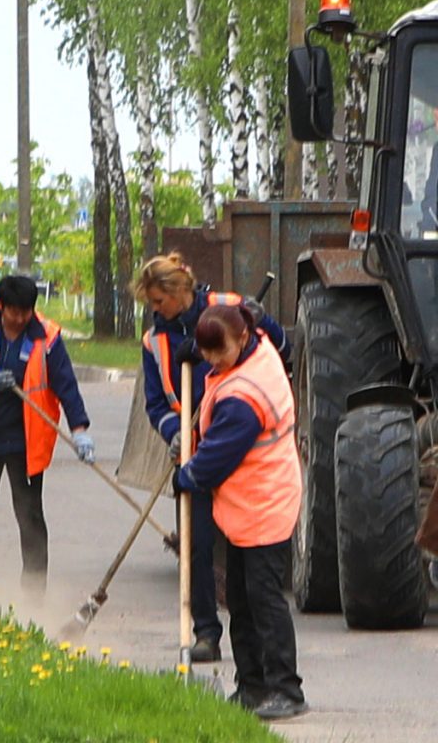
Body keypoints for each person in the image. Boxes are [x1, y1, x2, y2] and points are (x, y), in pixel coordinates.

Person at [132, 252, 289, 664]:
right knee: (197, 546)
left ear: (179, 291)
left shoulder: (228, 308)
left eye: (158, 302)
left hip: (238, 456)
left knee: (244, 561)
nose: (154, 311)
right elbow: (155, 404)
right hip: (195, 452)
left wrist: (263, 320)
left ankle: (264, 662)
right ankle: (205, 631)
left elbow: (279, 348)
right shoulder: (154, 342)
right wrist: (174, 431)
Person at [176, 303, 307, 721]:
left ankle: (286, 689)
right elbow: (219, 350)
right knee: (239, 598)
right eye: (207, 352)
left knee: (263, 600)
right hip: (244, 504)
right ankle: (250, 686)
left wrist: (188, 473)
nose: (213, 361)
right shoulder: (254, 344)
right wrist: (195, 350)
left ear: (243, 339)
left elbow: (217, 456)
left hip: (265, 502)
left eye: (219, 352)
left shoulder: (245, 397)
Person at [0, 274, 94, 596]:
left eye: (26, 312)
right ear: (2, 307)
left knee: (30, 520)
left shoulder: (48, 337)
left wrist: (80, 431)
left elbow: (66, 386)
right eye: (14, 312)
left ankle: (33, 594)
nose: (20, 318)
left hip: (26, 447)